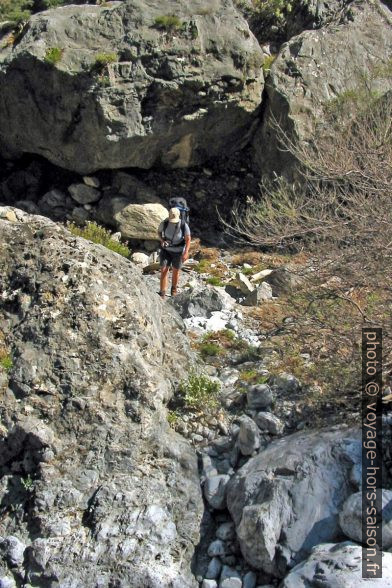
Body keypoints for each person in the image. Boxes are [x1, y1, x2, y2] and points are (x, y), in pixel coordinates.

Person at [158, 207, 191, 299]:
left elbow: (188, 239)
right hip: (166, 250)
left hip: (178, 251)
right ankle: (162, 292)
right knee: (164, 269)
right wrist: (161, 240)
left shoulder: (183, 225)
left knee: (176, 271)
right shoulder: (164, 223)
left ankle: (174, 290)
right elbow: (159, 232)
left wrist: (186, 252)